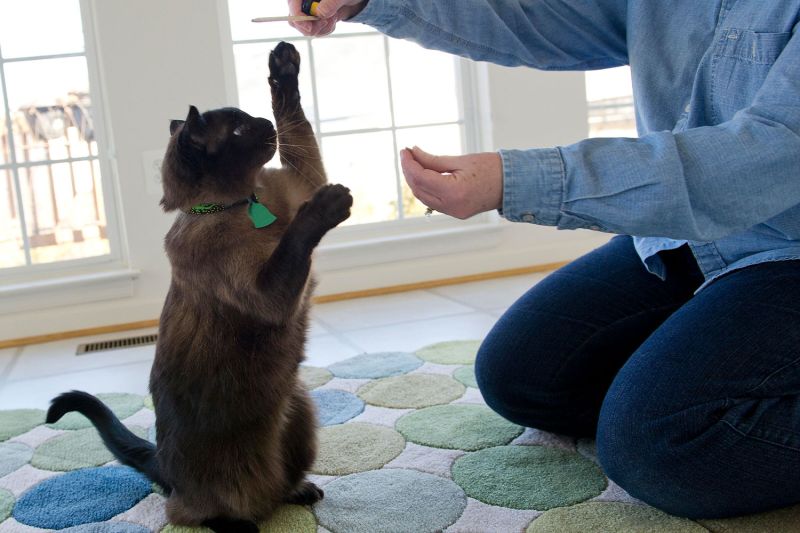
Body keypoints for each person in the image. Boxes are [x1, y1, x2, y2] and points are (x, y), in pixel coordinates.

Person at [289, 0, 800, 519]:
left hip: (788, 247)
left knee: (659, 446)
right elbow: (550, 16)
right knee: (524, 377)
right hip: (684, 235)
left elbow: (769, 153)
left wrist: (519, 180)